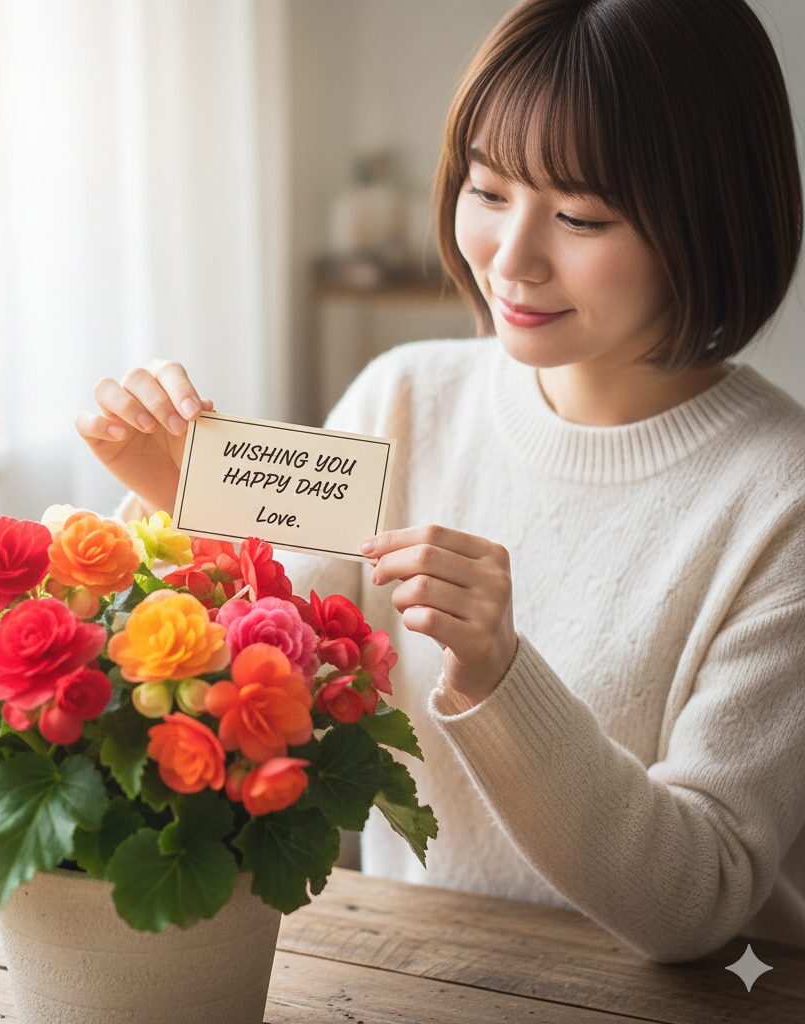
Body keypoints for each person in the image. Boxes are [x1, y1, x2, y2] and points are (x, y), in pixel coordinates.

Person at [75, 0, 805, 964]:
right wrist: (183, 498)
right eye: (488, 189)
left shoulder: (780, 499)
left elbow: (700, 899)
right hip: (405, 974)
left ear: (712, 215)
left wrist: (503, 676)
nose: (512, 256)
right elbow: (280, 672)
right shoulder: (404, 397)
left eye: (582, 215)